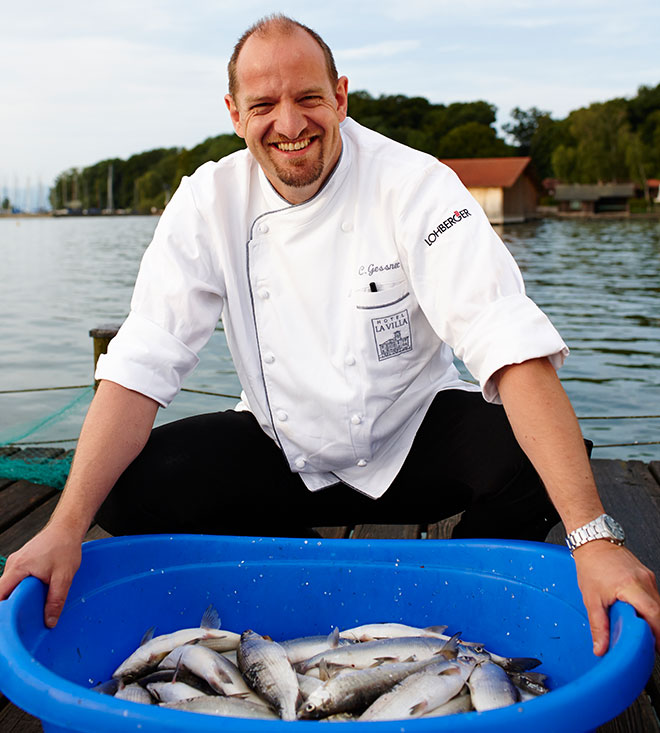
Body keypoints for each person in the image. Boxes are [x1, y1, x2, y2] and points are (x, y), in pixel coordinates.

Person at [1, 15, 658, 658]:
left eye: (308, 97)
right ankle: (304, 570)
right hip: (278, 444)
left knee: (538, 456)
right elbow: (141, 363)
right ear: (234, 113)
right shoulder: (206, 202)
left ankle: (452, 601)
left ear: (340, 96)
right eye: (264, 104)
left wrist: (593, 537)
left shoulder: (417, 184)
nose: (289, 124)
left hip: (412, 437)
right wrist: (64, 526)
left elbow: (509, 343)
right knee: (122, 483)